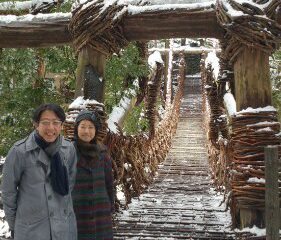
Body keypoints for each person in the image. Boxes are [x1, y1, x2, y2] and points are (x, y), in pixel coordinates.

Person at [1, 103, 77, 240]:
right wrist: (16, 225)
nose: (51, 128)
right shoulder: (20, 151)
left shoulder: (68, 149)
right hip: (31, 229)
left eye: (56, 122)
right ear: (36, 124)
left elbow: (70, 184)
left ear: (61, 125)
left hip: (62, 227)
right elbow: (8, 192)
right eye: (45, 122)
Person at [72, 109, 114, 240]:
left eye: (90, 127)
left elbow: (109, 183)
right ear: (76, 129)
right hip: (76, 212)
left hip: (100, 214)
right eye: (82, 126)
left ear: (95, 130)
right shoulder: (68, 152)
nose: (86, 131)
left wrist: (110, 206)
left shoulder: (103, 153)